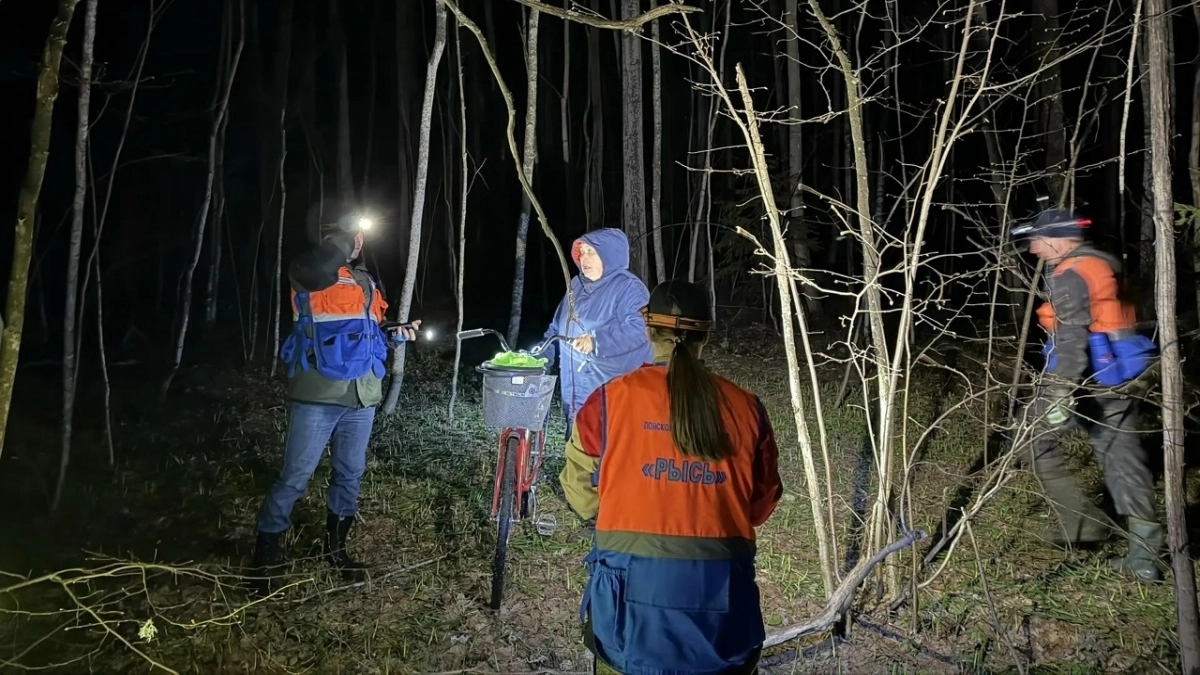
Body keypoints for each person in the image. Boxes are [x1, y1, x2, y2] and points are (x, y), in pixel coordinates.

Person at [559, 279, 784, 674]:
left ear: (649, 330)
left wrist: (622, 511)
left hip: (627, 619)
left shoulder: (607, 401)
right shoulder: (747, 408)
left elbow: (578, 490)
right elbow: (760, 505)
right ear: (706, 335)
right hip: (722, 620)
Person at [249, 213, 419, 596]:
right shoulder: (307, 270)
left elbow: (365, 330)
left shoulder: (364, 280)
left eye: (360, 236)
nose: (359, 241)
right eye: (352, 236)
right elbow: (318, 275)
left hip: (362, 395)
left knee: (350, 473)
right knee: (295, 476)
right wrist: (345, 238)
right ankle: (265, 558)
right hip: (318, 394)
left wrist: (395, 334)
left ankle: (335, 550)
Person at [1012, 208, 1160, 581]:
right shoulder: (1100, 264)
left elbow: (1072, 337)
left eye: (1038, 240)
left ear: (1060, 240)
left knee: (1031, 436)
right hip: (1120, 377)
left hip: (1089, 378)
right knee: (1121, 457)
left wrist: (1059, 391)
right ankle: (1145, 556)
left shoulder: (1071, 274)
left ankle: (1080, 525)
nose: (1033, 249)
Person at [539, 228, 654, 438]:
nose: (584, 258)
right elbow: (556, 328)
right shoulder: (576, 285)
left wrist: (596, 341)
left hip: (613, 397)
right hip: (575, 394)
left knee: (607, 450)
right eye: (582, 252)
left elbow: (639, 330)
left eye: (591, 252)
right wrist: (541, 355)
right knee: (577, 448)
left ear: (610, 254)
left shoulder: (629, 288)